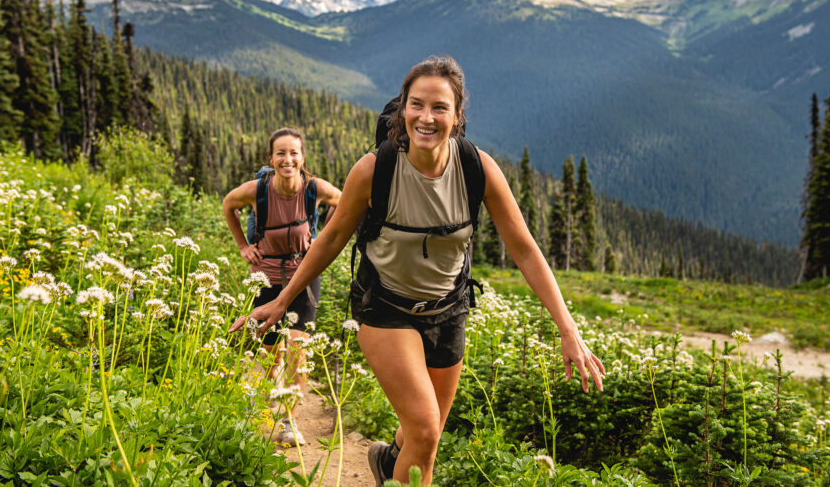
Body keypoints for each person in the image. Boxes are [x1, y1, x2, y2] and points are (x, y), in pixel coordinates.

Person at [242, 57, 605, 484]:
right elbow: (331, 239)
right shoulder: (375, 169)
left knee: (421, 434)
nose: (426, 118)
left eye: (439, 108)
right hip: (384, 308)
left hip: (449, 311)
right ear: (402, 111)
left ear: (457, 115)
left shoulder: (477, 169)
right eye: (416, 105)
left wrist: (568, 330)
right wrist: (282, 301)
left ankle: (387, 460)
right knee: (427, 429)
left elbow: (525, 250)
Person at [223, 127, 341, 446]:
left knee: (297, 350)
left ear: (302, 159)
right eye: (281, 153)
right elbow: (228, 205)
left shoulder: (314, 188)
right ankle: (268, 388)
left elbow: (341, 202)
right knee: (272, 349)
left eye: (294, 153)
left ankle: (288, 421)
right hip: (268, 274)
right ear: (271, 158)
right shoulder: (258, 190)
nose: (287, 159)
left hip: (304, 275)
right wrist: (242, 247)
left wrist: (323, 237)